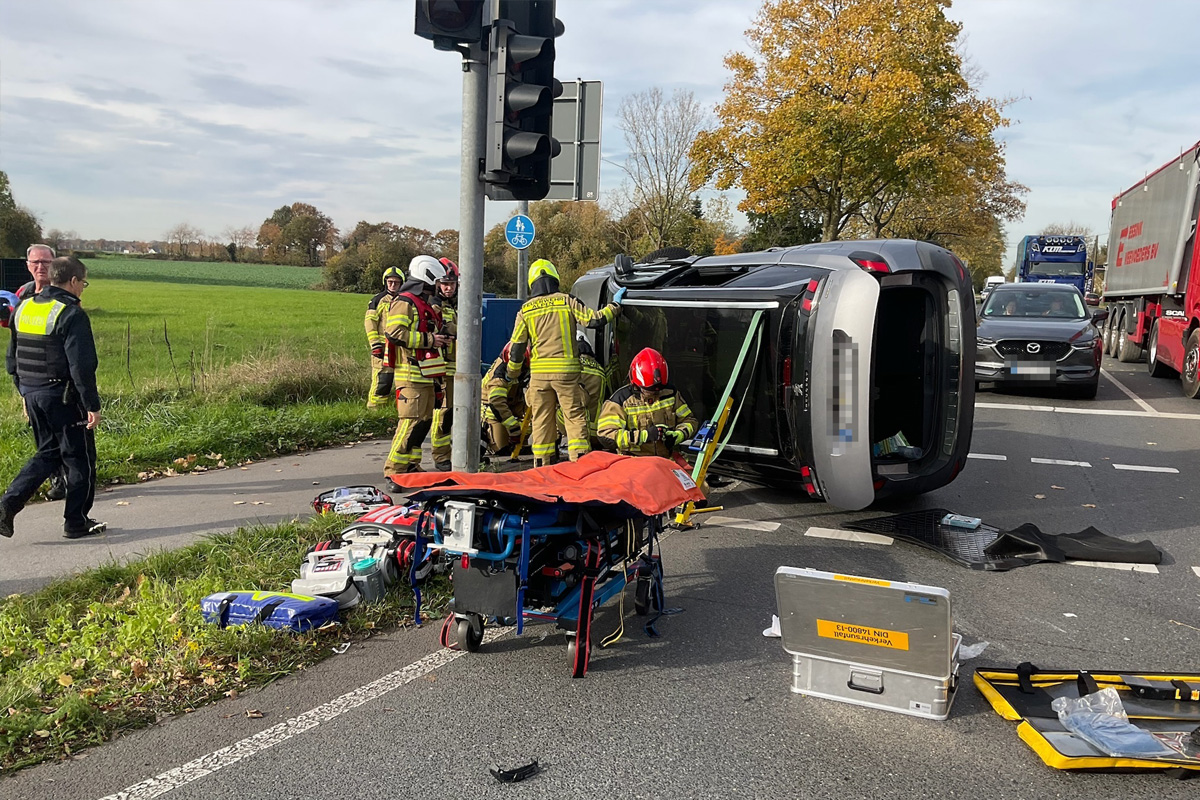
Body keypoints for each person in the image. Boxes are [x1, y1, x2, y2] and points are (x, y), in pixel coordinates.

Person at [0, 256, 105, 539]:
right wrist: (91, 405)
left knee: (49, 452)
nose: (83, 288)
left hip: (32, 393)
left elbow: (12, 357)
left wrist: (23, 391)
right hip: (62, 396)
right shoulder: (70, 313)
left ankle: (7, 504)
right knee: (79, 457)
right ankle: (76, 522)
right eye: (83, 282)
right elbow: (81, 365)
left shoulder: (23, 307)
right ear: (72, 281)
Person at [505, 259, 623, 467]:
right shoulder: (566, 300)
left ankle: (542, 463)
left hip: (539, 377)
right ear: (554, 278)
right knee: (574, 416)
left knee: (541, 419)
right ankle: (579, 463)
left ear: (533, 282)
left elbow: (516, 349)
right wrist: (615, 306)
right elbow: (594, 320)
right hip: (566, 374)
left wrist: (512, 374)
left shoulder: (525, 310)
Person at [382, 255, 452, 478]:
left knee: (422, 424)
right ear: (427, 276)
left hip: (426, 375)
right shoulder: (405, 302)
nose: (438, 286)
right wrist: (430, 340)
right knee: (409, 424)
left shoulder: (423, 303)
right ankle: (394, 471)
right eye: (436, 281)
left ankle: (410, 466)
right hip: (411, 375)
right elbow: (394, 333)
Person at [12, 244, 69, 501]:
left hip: (56, 381)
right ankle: (58, 480)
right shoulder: (22, 294)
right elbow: (15, 338)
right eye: (35, 262)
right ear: (27, 265)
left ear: (54, 264)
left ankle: (74, 481)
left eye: (46, 262)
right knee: (43, 436)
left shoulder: (62, 293)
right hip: (29, 378)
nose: (40, 267)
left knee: (67, 436)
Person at [597, 348, 698, 465]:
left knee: (698, 483)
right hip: (634, 464)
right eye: (648, 390)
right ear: (636, 383)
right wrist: (644, 436)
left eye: (658, 389)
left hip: (667, 461)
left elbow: (690, 420)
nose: (654, 393)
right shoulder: (620, 401)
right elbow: (606, 435)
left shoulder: (670, 393)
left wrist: (678, 435)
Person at [430, 257, 459, 471]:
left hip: (458, 368)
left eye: (451, 284)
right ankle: (440, 457)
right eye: (444, 284)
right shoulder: (433, 305)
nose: (448, 288)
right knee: (443, 413)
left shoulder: (457, 304)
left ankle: (452, 452)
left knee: (456, 413)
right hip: (441, 368)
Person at [365, 266, 403, 409]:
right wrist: (375, 344)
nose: (393, 285)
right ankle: (374, 410)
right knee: (383, 381)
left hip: (400, 347)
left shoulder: (405, 300)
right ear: (385, 282)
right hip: (382, 348)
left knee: (402, 381)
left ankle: (400, 410)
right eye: (390, 282)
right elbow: (370, 323)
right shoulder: (378, 300)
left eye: (396, 282)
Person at [481, 343, 528, 456]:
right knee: (502, 450)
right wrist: (513, 428)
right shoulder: (499, 376)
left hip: (513, 405)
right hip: (493, 412)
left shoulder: (523, 365)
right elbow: (497, 403)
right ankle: (486, 433)